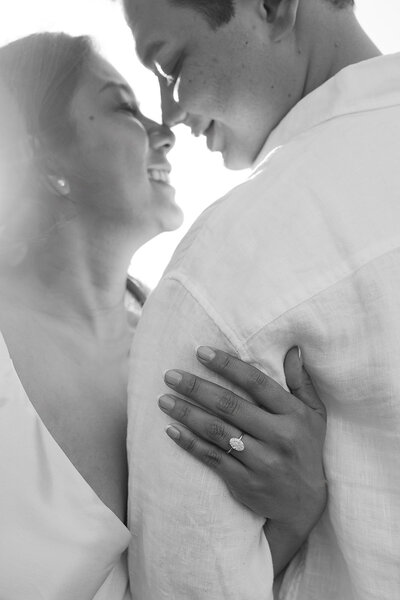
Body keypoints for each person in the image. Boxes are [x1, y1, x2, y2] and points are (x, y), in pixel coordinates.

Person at [0, 30, 326, 599]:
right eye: (125, 107)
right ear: (39, 151)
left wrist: (295, 512)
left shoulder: (185, 345)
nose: (166, 132)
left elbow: (191, 582)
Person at [124, 0, 400, 598]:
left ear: (271, 7)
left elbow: (191, 586)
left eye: (170, 66)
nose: (170, 114)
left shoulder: (229, 263)